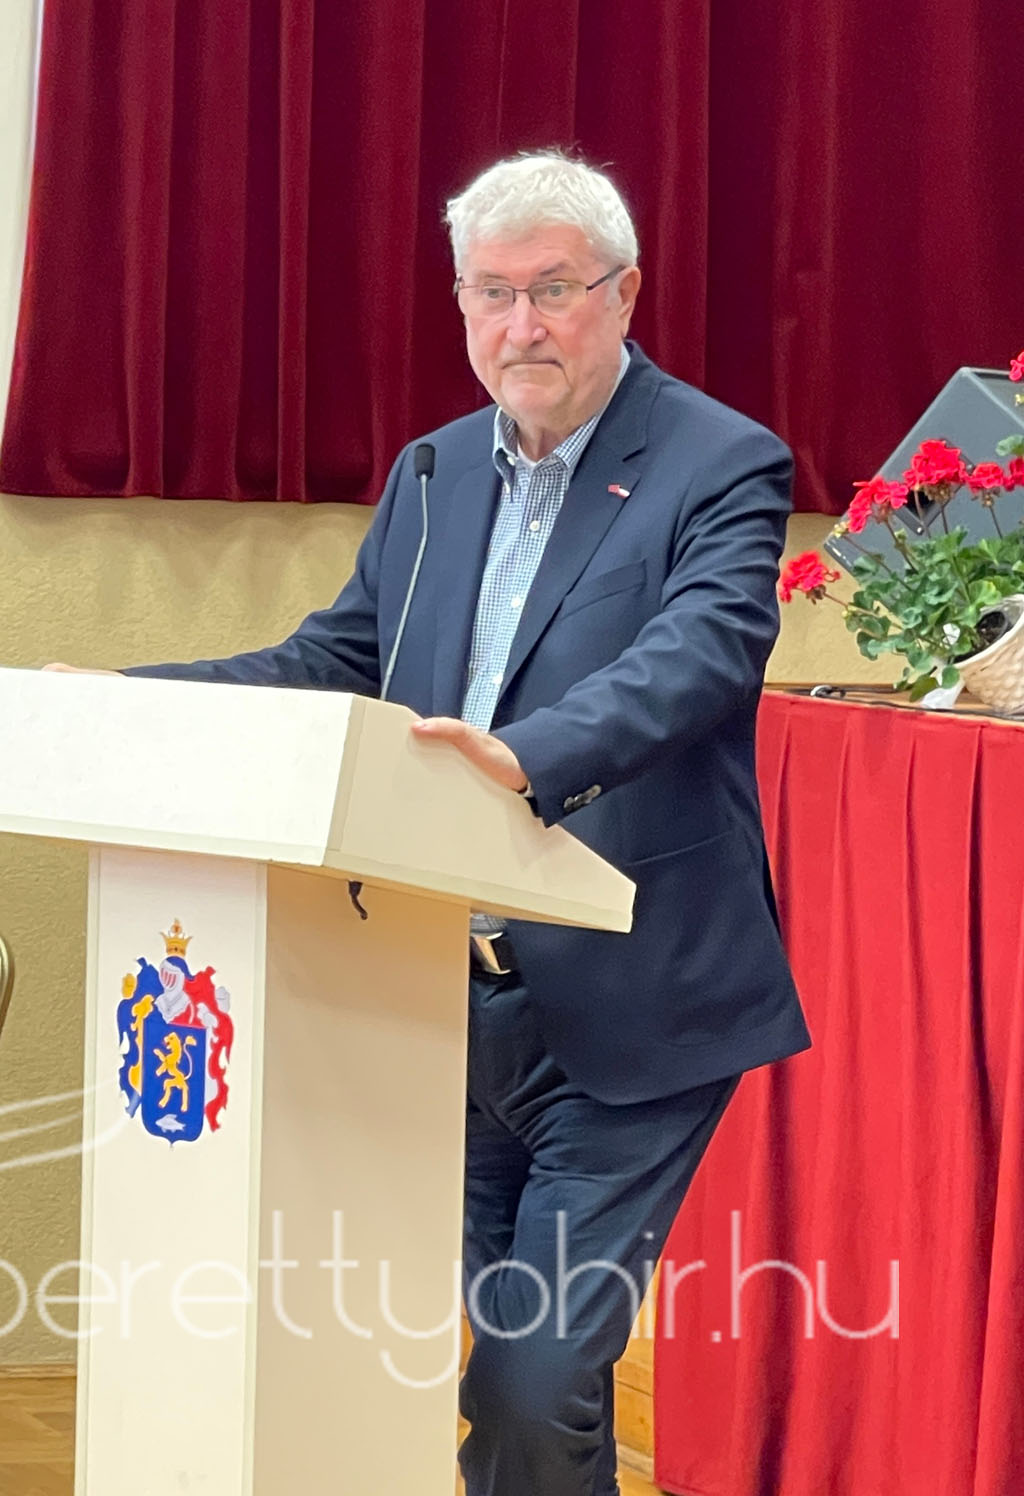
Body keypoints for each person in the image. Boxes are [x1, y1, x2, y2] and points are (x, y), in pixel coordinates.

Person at [49, 151, 810, 1496]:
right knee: (520, 1383)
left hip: (629, 995)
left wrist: (525, 756)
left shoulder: (721, 462)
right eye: (490, 294)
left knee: (529, 1375)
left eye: (554, 290)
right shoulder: (432, 472)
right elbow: (331, 660)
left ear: (623, 294)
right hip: (433, 995)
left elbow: (699, 657)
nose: (522, 326)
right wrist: (121, 700)